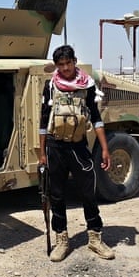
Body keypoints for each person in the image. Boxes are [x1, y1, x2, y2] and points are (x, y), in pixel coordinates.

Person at [38, 45, 115, 262]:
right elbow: (44, 121)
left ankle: (95, 238)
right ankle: (62, 240)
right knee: (57, 194)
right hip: (55, 146)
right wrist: (42, 152)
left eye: (68, 63)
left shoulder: (88, 85)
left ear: (75, 61)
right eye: (60, 65)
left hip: (79, 146)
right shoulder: (51, 86)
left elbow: (96, 118)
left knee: (88, 192)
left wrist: (105, 149)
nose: (65, 68)